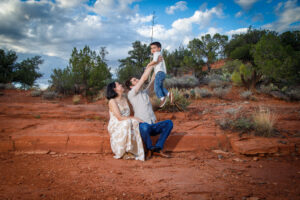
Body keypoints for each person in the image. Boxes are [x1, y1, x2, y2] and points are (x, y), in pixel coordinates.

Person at [125, 61, 173, 160]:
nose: (137, 80)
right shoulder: (131, 94)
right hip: (143, 126)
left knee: (169, 123)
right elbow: (143, 78)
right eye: (134, 80)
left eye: (136, 79)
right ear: (131, 86)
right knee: (145, 127)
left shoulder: (145, 92)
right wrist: (150, 65)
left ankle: (158, 148)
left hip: (152, 124)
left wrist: (157, 65)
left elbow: (152, 80)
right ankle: (150, 149)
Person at [106, 81, 145, 161]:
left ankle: (132, 150)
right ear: (115, 89)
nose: (121, 85)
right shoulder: (112, 101)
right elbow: (119, 117)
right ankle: (122, 151)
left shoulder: (125, 99)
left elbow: (130, 113)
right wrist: (134, 118)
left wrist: (135, 119)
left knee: (133, 122)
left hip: (126, 120)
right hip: (116, 123)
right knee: (128, 122)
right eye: (118, 85)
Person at [146, 41, 173, 108]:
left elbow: (155, 61)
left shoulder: (157, 53)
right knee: (160, 87)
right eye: (151, 48)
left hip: (159, 73)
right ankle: (169, 94)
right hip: (162, 73)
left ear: (159, 48)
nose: (153, 50)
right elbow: (156, 63)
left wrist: (148, 64)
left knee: (156, 88)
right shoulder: (159, 54)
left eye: (154, 48)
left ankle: (162, 98)